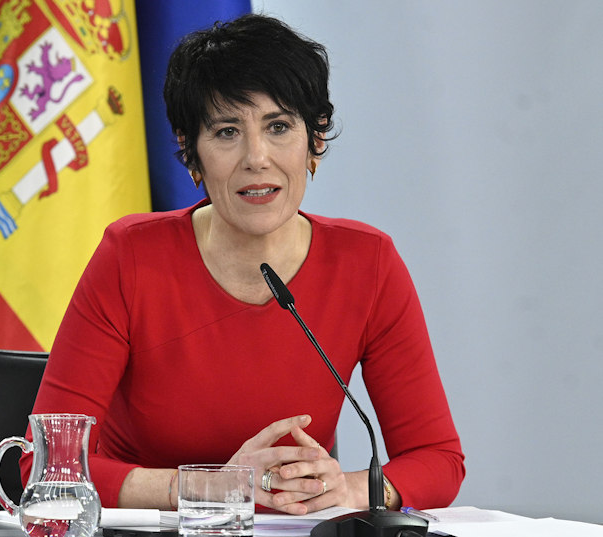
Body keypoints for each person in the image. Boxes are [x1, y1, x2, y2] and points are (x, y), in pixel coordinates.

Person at [24, 13, 465, 515]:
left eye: (279, 127)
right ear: (191, 153)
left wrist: (347, 489)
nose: (257, 157)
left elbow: (438, 459)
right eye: (227, 131)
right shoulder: (131, 257)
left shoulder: (367, 263)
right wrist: (210, 487)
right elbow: (44, 466)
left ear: (315, 139)